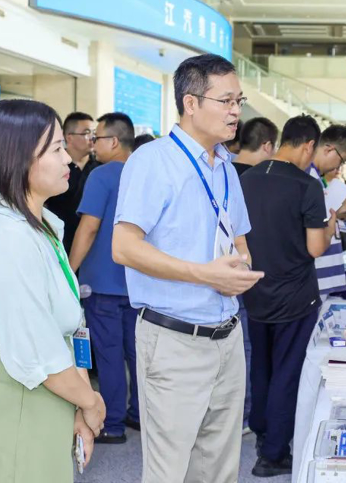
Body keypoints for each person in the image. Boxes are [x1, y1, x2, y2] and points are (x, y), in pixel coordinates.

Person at [113, 53, 264, 483]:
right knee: (169, 471)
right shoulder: (154, 161)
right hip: (174, 339)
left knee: (220, 467)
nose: (236, 111)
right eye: (226, 101)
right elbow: (123, 247)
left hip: (227, 337)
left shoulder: (227, 168)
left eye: (240, 100)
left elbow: (239, 240)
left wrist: (240, 267)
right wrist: (205, 274)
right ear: (191, 103)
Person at [0, 100, 106, 482]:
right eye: (57, 149)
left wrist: (79, 402)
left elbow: (65, 327)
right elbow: (35, 353)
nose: (68, 161)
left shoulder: (43, 226)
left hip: (53, 399)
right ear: (19, 157)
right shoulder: (8, 236)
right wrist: (90, 402)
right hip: (24, 407)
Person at [240, 115, 338, 477]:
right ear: (309, 145)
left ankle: (263, 434)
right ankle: (274, 453)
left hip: (254, 290)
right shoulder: (306, 186)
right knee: (287, 372)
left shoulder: (246, 179)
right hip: (295, 296)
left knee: (261, 368)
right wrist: (328, 226)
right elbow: (315, 248)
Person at [69, 112, 139, 444]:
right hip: (140, 281)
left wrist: (69, 269)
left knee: (109, 352)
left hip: (102, 281)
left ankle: (112, 423)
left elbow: (89, 226)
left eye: (96, 138)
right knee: (137, 352)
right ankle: (138, 413)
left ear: (114, 141)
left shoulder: (101, 176)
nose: (93, 144)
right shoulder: (146, 174)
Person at [229, 115, 278, 433]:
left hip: (213, 273)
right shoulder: (266, 179)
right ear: (267, 145)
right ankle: (245, 415)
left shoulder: (219, 171)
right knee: (246, 347)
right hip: (251, 275)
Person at [308, 124, 346, 296]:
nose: (339, 166)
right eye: (342, 160)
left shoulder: (315, 177)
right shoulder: (308, 178)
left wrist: (338, 213)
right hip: (314, 275)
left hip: (322, 273)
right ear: (329, 150)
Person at [45, 111, 98, 253]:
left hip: (91, 246)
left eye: (94, 133)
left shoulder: (99, 168)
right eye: (86, 133)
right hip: (59, 240)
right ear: (69, 137)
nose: (92, 138)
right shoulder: (55, 166)